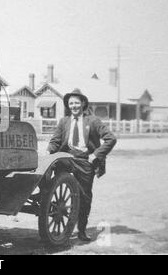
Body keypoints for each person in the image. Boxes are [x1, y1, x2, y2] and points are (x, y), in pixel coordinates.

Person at [47, 88, 117, 241]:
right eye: (71, 103)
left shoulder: (93, 120)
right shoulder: (64, 121)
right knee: (50, 177)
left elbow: (111, 139)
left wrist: (96, 155)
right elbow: (55, 141)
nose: (74, 106)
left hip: (85, 160)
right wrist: (49, 152)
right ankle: (50, 202)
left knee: (85, 196)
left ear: (83, 103)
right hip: (67, 157)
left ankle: (82, 230)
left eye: (77, 103)